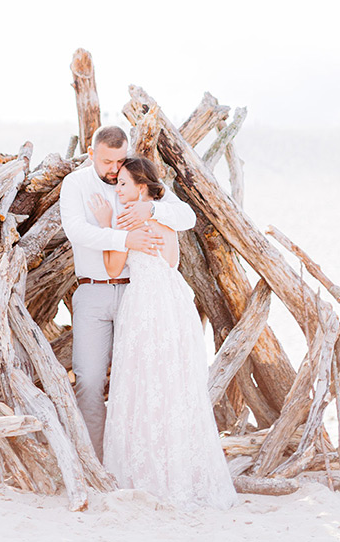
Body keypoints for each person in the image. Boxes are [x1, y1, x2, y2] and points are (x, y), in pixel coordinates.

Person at [95, 155, 238, 511]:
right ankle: (179, 474)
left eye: (124, 184)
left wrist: (107, 227)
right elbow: (172, 260)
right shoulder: (161, 214)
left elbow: (112, 267)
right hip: (172, 299)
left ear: (141, 185)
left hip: (145, 300)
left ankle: (146, 475)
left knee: (143, 383)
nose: (118, 189)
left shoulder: (138, 214)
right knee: (173, 384)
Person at [60, 125, 196, 461]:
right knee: (90, 379)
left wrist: (151, 211)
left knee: (137, 380)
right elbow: (77, 231)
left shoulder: (133, 176)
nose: (114, 169)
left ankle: (136, 460)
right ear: (92, 154)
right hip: (93, 292)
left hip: (139, 295)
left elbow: (186, 215)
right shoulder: (76, 184)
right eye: (107, 161)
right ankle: (96, 459)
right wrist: (123, 239)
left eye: (119, 160)